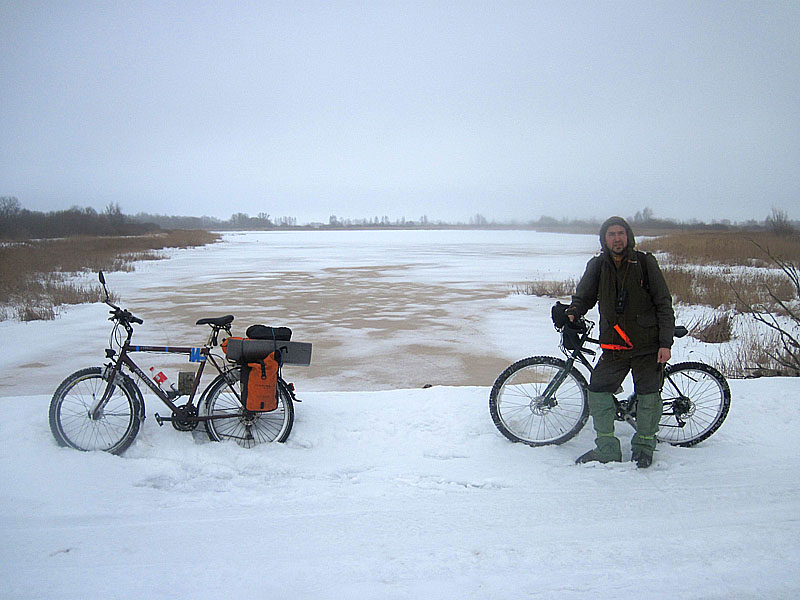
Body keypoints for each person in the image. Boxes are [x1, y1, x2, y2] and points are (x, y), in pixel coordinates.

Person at [567, 216, 675, 468]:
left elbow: (663, 303)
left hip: (647, 345)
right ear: (604, 239)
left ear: (628, 237)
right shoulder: (597, 265)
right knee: (598, 392)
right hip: (614, 346)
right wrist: (573, 311)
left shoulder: (646, 263)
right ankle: (606, 449)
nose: (617, 238)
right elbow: (584, 296)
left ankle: (645, 447)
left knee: (649, 397)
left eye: (621, 233)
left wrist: (665, 343)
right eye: (611, 234)